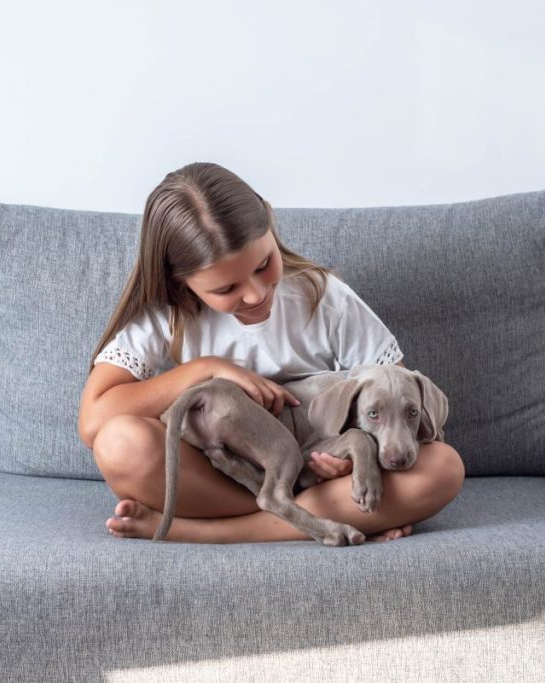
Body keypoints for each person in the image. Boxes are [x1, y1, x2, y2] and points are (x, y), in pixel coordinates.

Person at [77, 162, 464, 543]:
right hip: (223, 475)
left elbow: (396, 401)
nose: (256, 294)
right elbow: (94, 421)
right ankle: (300, 516)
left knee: (442, 466)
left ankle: (206, 531)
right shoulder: (169, 316)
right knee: (120, 443)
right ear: (181, 284)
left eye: (264, 265)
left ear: (270, 226)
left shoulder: (321, 296)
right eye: (226, 289)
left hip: (325, 469)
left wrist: (348, 465)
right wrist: (206, 370)